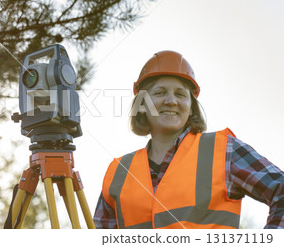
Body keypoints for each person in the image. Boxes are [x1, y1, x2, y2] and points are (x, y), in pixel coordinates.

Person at [93, 50, 284, 229]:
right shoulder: (118, 171)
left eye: (180, 94)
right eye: (159, 92)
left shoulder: (225, 151)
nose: (171, 101)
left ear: (191, 106)